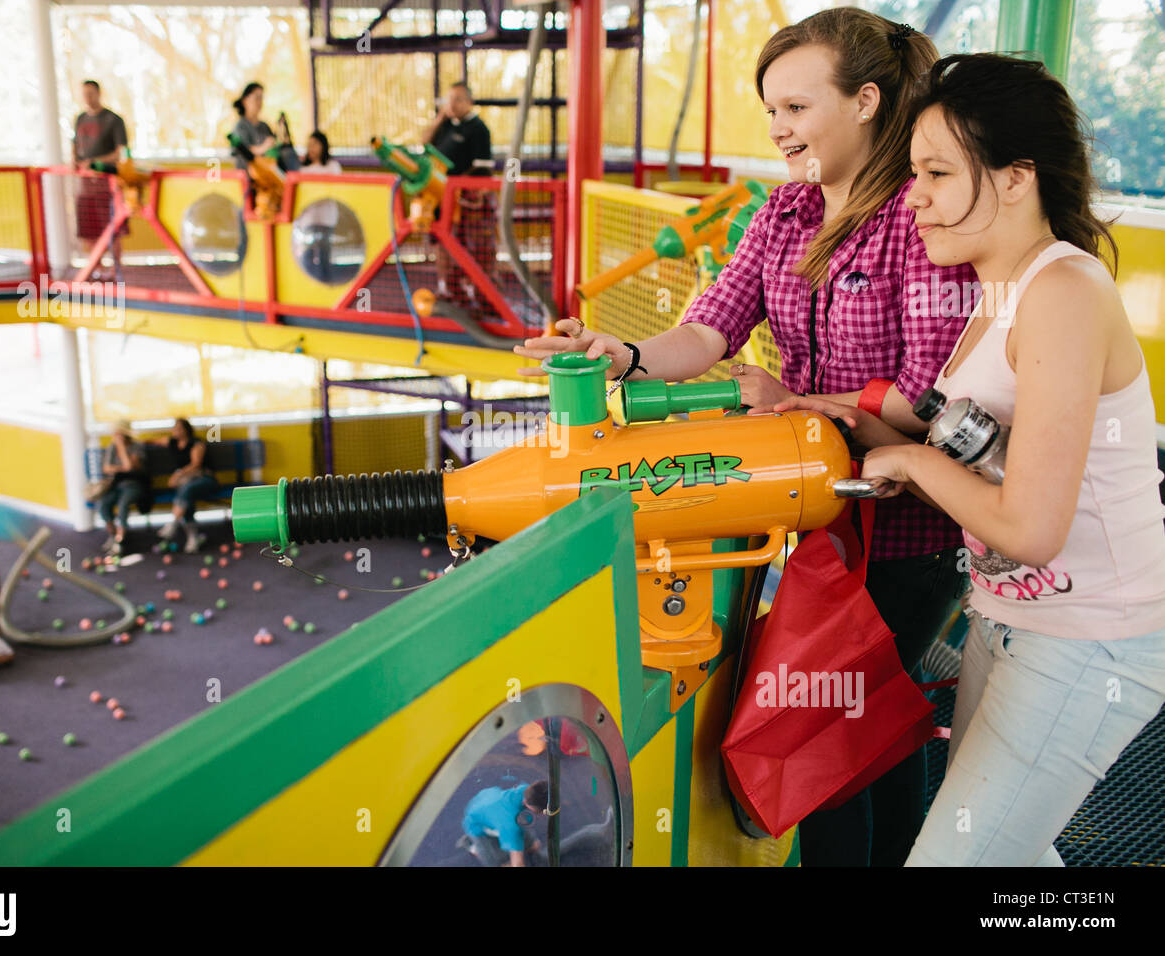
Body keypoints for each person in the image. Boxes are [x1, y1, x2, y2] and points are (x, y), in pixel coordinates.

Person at [515, 9, 977, 867]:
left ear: (868, 101)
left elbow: (931, 397)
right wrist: (620, 354)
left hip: (907, 528)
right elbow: (710, 331)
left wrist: (797, 400)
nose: (778, 128)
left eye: (798, 108)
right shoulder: (783, 214)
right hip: (819, 524)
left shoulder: (920, 219)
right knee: (873, 729)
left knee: (826, 744)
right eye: (771, 109)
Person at [779, 54, 1165, 866]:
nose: (912, 194)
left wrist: (913, 467)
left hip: (1089, 636)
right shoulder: (998, 292)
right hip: (1013, 619)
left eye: (936, 173)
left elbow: (1028, 525)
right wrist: (850, 426)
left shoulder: (1061, 292)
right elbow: (984, 459)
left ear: (1017, 177)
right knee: (1001, 852)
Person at [421, 82, 495, 303]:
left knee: (469, 245)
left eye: (458, 99)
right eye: (449, 99)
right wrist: (439, 119)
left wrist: (460, 188)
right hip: (439, 196)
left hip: (464, 199)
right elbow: (424, 143)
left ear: (470, 102)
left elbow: (482, 166)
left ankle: (478, 292)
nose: (452, 104)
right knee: (441, 242)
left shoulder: (478, 129)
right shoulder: (445, 125)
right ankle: (447, 289)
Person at [72, 79, 129, 272]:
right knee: (89, 229)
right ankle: (96, 270)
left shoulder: (113, 120)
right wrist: (75, 161)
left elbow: (121, 152)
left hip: (108, 184)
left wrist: (96, 163)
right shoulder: (80, 119)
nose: (88, 98)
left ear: (98, 93)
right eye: (84, 94)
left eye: (91, 94)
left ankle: (116, 269)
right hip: (86, 184)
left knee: (113, 228)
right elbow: (75, 145)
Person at [154, 418, 217, 554]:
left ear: (186, 430)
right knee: (187, 495)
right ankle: (192, 538)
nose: (175, 431)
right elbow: (156, 441)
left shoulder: (196, 444)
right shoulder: (172, 442)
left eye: (179, 428)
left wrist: (177, 475)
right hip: (187, 483)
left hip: (205, 480)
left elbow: (196, 464)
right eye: (174, 428)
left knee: (187, 490)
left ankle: (174, 523)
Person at [460, 780, 549, 867]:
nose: (543, 813)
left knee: (534, 846)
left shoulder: (528, 790)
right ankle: (471, 846)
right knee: (505, 864)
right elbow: (517, 864)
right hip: (476, 824)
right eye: (542, 811)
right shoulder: (511, 826)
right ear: (529, 805)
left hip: (487, 800)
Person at [96, 420, 150, 556]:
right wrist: (121, 468)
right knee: (103, 504)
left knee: (123, 505)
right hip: (116, 485)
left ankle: (121, 540)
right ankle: (113, 534)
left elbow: (130, 467)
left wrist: (121, 448)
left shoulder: (136, 447)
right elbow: (107, 468)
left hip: (134, 484)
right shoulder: (111, 447)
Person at [297, 131, 343, 282]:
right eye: (309, 145)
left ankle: (326, 282)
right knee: (307, 255)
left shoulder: (332, 166)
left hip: (326, 218)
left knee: (324, 254)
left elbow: (334, 188)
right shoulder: (303, 169)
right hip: (308, 219)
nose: (311, 148)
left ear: (323, 146)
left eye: (314, 144)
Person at [230, 82, 300, 173]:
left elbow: (274, 150)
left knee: (287, 151)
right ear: (245, 101)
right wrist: (264, 147)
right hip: (252, 175)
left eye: (261, 98)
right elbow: (244, 151)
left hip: (269, 171)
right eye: (257, 98)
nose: (260, 102)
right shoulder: (240, 126)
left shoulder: (264, 126)